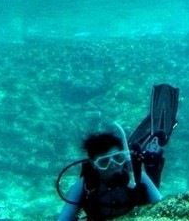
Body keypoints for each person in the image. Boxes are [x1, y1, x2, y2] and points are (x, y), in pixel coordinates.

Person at [57, 84, 179, 220]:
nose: (114, 165)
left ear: (124, 157)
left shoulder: (137, 175)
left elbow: (161, 207)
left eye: (118, 158)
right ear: (94, 165)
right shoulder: (85, 185)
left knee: (152, 162)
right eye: (104, 162)